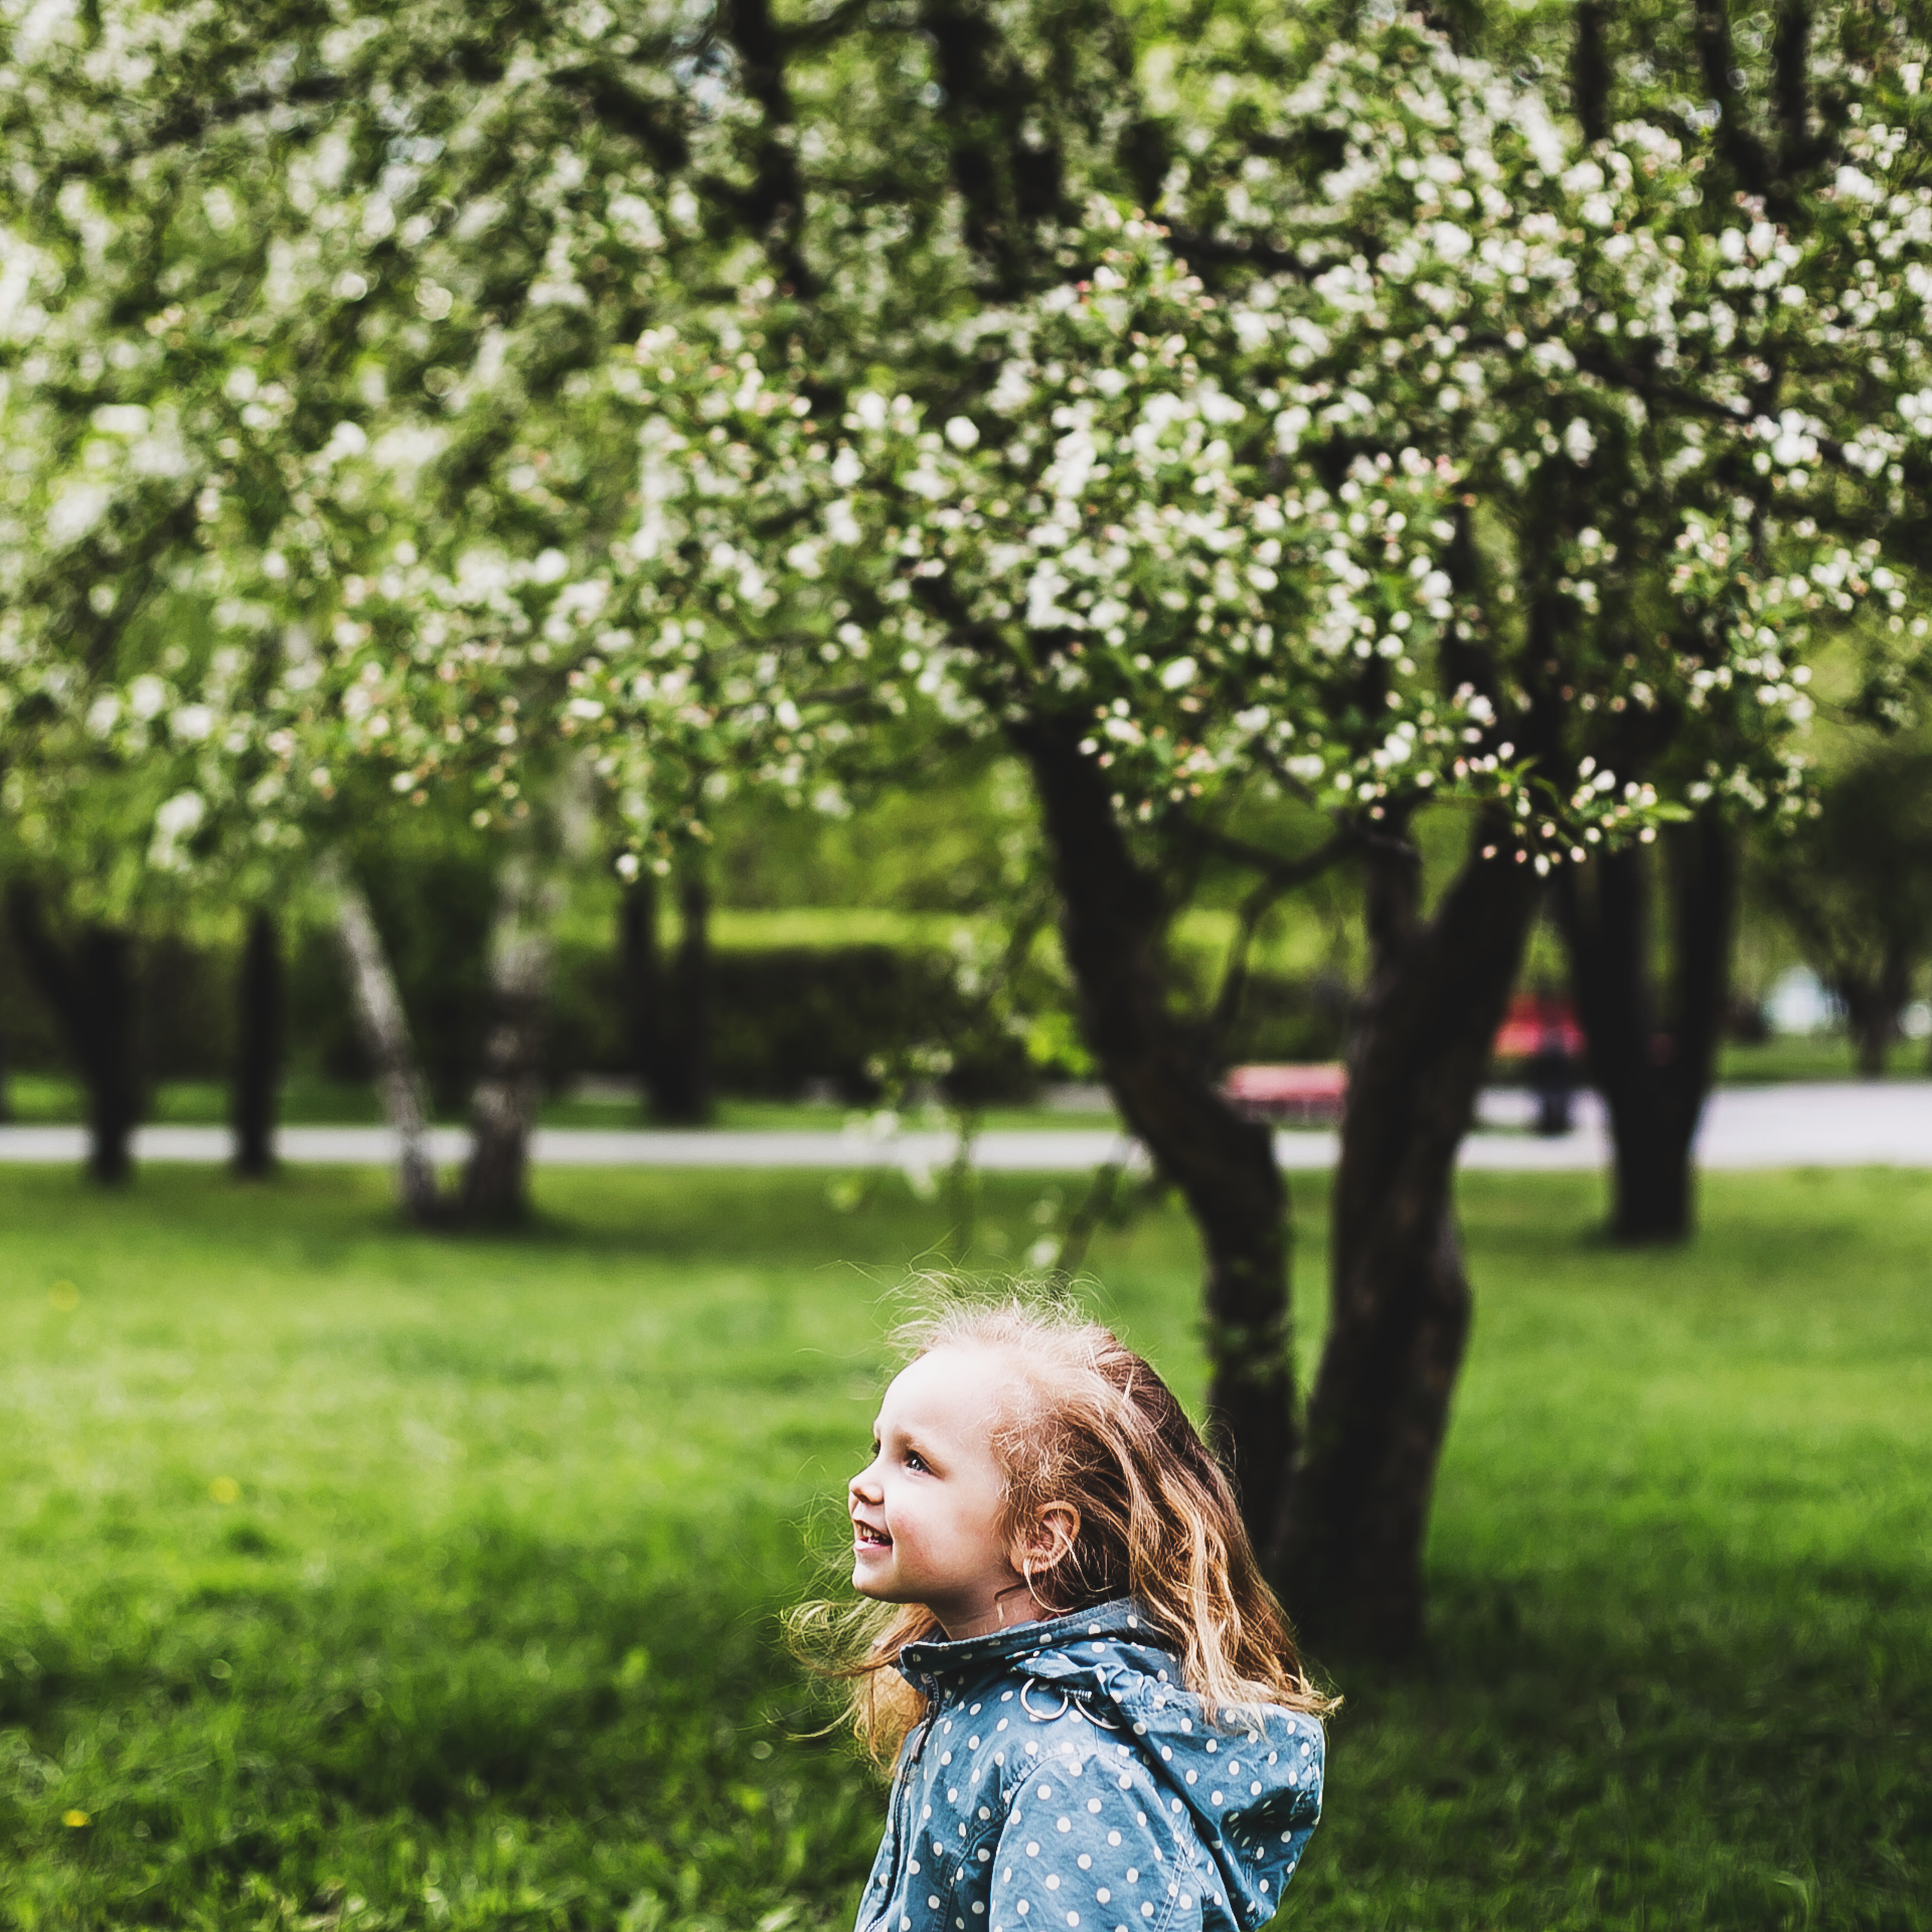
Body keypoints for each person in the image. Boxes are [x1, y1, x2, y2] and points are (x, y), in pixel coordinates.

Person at [798, 1298, 1333, 1932]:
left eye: (916, 1461)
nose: (864, 1481)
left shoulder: (1074, 1771)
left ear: (1041, 1537)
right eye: (878, 1447)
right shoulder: (986, 1695)